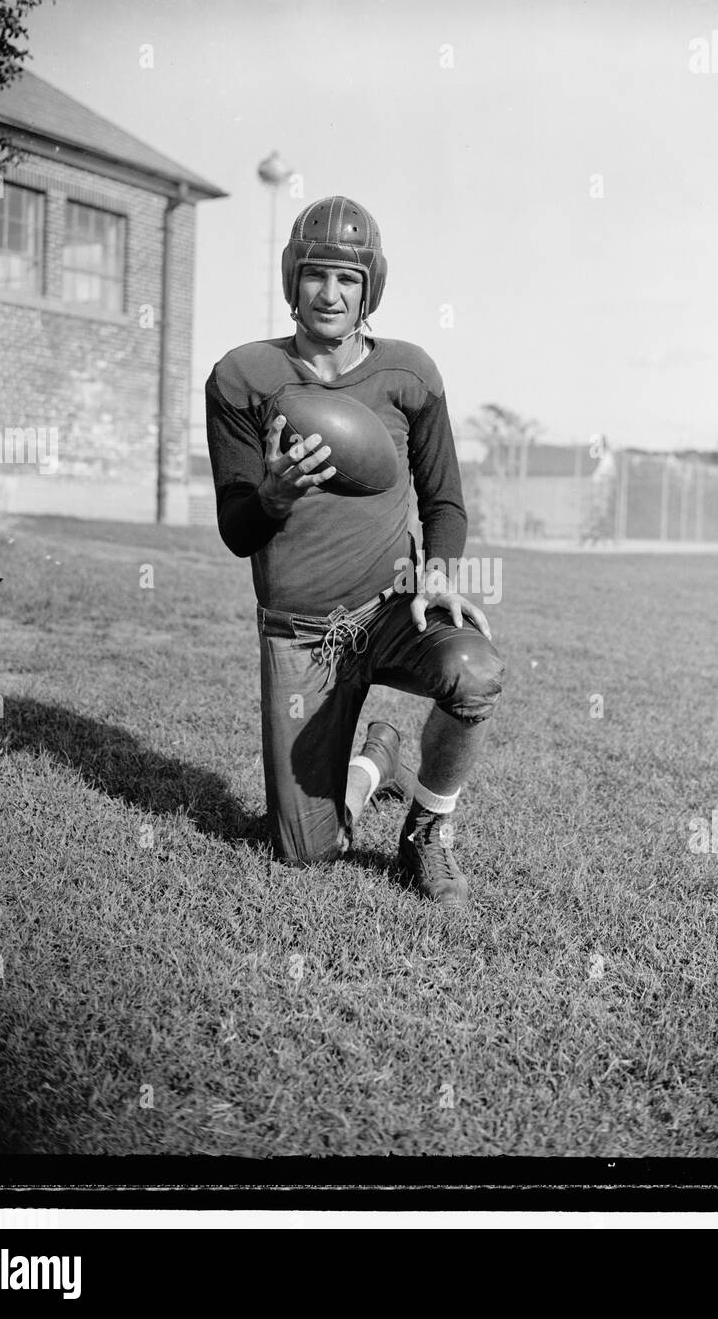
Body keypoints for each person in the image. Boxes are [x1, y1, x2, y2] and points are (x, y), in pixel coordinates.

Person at [205, 195, 505, 908]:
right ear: (291, 280)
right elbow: (237, 529)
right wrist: (273, 496)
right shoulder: (242, 378)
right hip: (301, 630)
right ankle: (378, 757)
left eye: (347, 277)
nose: (330, 293)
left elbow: (445, 501)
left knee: (474, 670)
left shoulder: (409, 373)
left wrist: (436, 570)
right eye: (315, 275)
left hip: (392, 604)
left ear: (370, 285)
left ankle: (428, 832)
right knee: (305, 853)